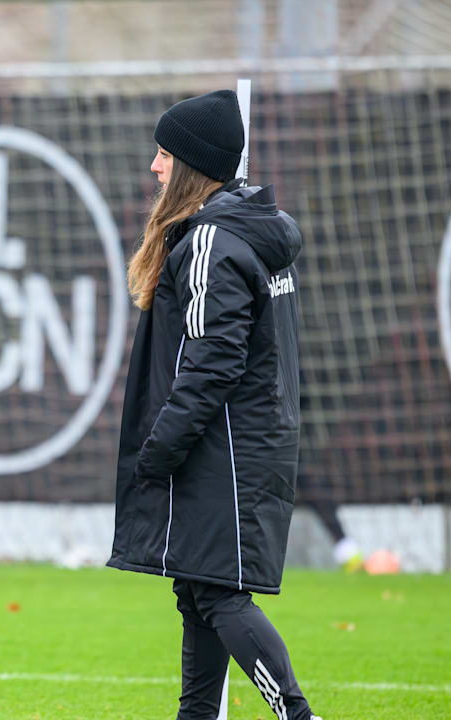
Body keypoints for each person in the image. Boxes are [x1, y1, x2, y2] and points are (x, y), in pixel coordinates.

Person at [107, 90, 322, 720]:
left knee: (222, 597)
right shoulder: (243, 234)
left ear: (192, 166)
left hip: (222, 449)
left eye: (164, 155)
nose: (154, 167)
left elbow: (213, 363)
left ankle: (298, 714)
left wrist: (159, 449)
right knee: (201, 590)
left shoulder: (210, 242)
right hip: (243, 443)